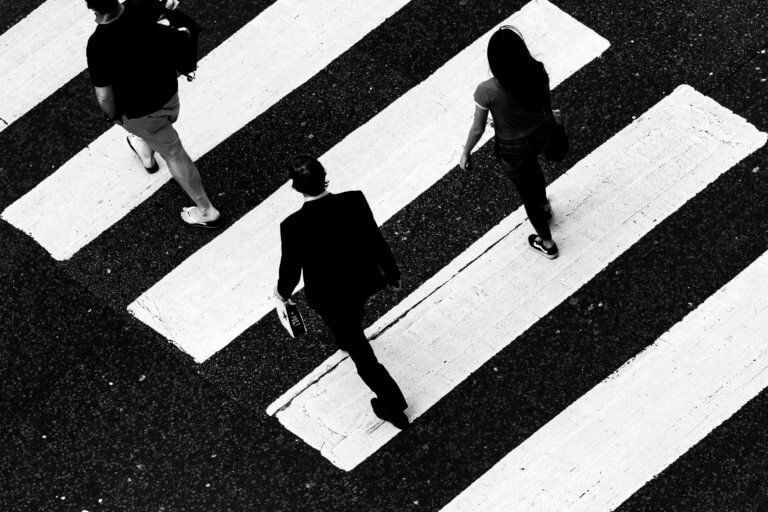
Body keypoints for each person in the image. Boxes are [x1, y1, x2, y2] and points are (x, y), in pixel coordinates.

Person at [275, 155, 409, 430]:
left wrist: (282, 293)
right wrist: (392, 273)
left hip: (328, 297)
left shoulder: (292, 226)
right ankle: (348, 334)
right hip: (364, 280)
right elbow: (376, 240)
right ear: (324, 175)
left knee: (363, 356)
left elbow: (291, 269)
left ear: (296, 187)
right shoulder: (354, 201)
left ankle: (394, 407)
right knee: (353, 314)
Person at [85, 0, 222, 228]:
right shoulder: (140, 6)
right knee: (151, 134)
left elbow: (104, 97)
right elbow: (169, 5)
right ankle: (145, 151)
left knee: (174, 153)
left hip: (141, 113)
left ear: (93, 9)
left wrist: (113, 118)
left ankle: (208, 212)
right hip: (168, 94)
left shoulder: (98, 44)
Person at [459, 26, 558, 258]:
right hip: (539, 135)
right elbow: (542, 102)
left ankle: (547, 243)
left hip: (512, 148)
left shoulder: (486, 91)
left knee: (527, 193)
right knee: (535, 170)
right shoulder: (538, 72)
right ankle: (544, 206)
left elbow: (477, 128)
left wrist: (466, 152)